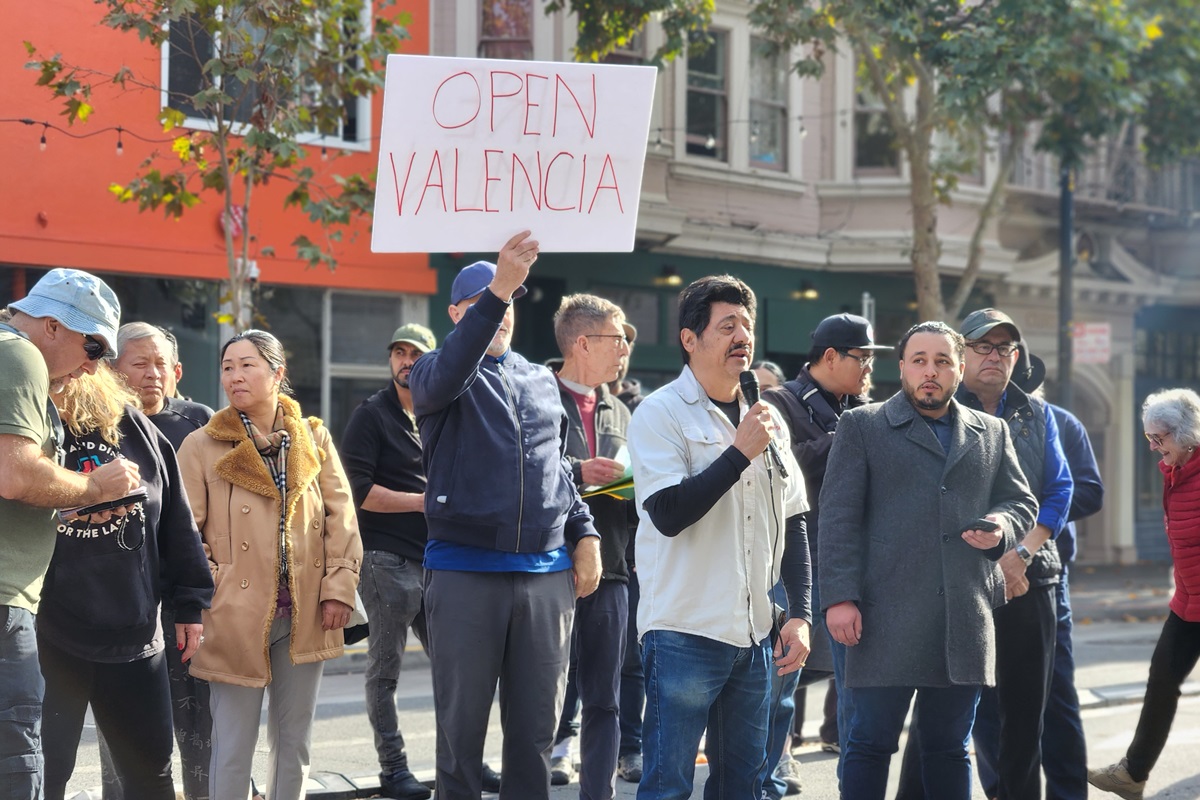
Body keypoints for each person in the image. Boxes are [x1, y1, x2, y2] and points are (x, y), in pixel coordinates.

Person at [408, 232, 601, 800]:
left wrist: (584, 532)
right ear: (455, 313)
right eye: (484, 302)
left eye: (510, 302)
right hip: (466, 572)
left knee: (535, 738)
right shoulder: (433, 371)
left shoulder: (542, 380)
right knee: (460, 742)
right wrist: (501, 285)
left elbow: (560, 471)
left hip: (545, 577)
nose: (499, 312)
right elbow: (452, 368)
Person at [820, 320, 1038, 800]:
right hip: (882, 618)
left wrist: (1001, 527)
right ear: (902, 367)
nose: (930, 371)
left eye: (942, 361)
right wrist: (839, 597)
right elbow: (837, 519)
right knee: (870, 744)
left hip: (963, 617)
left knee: (948, 748)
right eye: (919, 360)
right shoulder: (863, 425)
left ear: (960, 369)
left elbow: (1022, 503)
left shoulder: (993, 431)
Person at [627, 274, 811, 800]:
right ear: (690, 339)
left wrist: (800, 613)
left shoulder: (768, 417)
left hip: (755, 635)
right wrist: (738, 454)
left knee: (742, 787)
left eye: (747, 326)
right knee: (667, 787)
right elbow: (666, 513)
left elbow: (794, 519)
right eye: (727, 325)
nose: (742, 337)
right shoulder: (659, 413)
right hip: (684, 631)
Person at [177, 329, 362, 800]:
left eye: (247, 365)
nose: (234, 376)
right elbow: (185, 533)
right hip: (233, 612)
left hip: (306, 612)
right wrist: (212, 584)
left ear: (277, 373)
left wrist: (339, 585)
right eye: (227, 366)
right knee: (233, 747)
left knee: (295, 743)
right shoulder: (201, 445)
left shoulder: (314, 437)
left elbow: (342, 516)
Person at [38, 365, 213, 800]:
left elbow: (176, 517)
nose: (78, 367)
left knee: (151, 776)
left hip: (135, 632)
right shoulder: (28, 424)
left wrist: (190, 603)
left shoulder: (130, 424)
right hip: (49, 635)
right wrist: (80, 497)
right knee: (44, 774)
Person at [0, 268, 141, 798]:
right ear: (53, 326)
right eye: (94, 345)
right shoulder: (19, 354)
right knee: (13, 772)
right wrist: (92, 488)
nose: (94, 364)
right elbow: (14, 474)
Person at [763, 312, 892, 796]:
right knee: (781, 676)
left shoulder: (867, 407)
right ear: (831, 357)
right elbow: (786, 465)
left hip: (857, 562)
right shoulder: (777, 401)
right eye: (861, 358)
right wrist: (852, 437)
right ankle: (774, 762)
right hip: (792, 558)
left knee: (854, 679)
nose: (868, 369)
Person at [955, 309, 1073, 800]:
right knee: (963, 714)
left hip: (1032, 578)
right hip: (961, 583)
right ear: (961, 354)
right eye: (983, 347)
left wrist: (1021, 554)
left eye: (1004, 349)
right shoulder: (940, 408)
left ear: (1016, 358)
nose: (993, 357)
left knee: (1026, 718)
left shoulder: (1036, 413)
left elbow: (1060, 489)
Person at [110, 321, 214, 800]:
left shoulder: (197, 421)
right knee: (124, 729)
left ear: (176, 372)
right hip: (120, 599)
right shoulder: (98, 422)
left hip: (184, 599)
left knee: (197, 720)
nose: (152, 374)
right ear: (112, 368)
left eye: (160, 364)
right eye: (139, 362)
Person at [340, 322, 438, 800]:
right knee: (385, 672)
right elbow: (357, 494)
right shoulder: (371, 415)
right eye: (398, 352)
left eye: (415, 353)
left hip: (439, 563)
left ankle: (464, 761)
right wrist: (426, 501)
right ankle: (393, 769)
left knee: (460, 670)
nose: (405, 361)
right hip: (386, 560)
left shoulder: (442, 413)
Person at [1088, 388, 1200, 800]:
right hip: (1188, 602)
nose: (1154, 446)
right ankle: (1132, 775)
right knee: (1162, 676)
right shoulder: (1175, 471)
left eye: (1160, 438)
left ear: (1186, 432)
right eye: (1149, 438)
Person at [547, 294, 636, 799]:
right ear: (582, 342)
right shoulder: (535, 395)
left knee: (606, 699)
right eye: (616, 337)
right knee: (543, 695)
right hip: (547, 567)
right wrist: (579, 476)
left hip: (613, 568)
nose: (625, 348)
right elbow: (522, 476)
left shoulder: (620, 408)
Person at [1014, 350, 1105, 800]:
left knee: (1056, 694)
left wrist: (1040, 514)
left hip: (1048, 573)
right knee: (990, 702)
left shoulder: (1060, 422)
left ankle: (1068, 793)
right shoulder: (971, 419)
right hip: (984, 573)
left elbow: (1087, 490)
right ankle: (1001, 786)